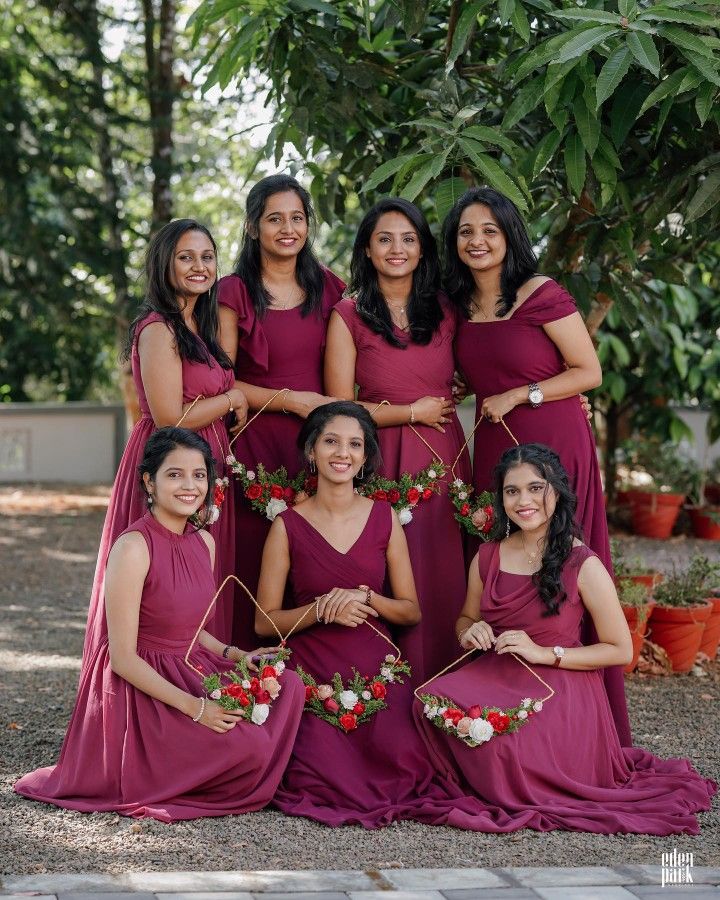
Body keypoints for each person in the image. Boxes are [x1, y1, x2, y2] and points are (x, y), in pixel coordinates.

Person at [414, 444, 716, 835]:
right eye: (512, 491)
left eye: (535, 488)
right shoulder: (487, 556)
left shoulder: (583, 563)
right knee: (430, 704)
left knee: (506, 745)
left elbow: (620, 649)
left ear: (556, 491)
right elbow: (466, 618)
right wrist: (469, 631)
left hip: (559, 681)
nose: (524, 501)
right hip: (496, 673)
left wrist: (544, 653)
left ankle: (515, 778)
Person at [15, 428, 304, 822]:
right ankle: (191, 768)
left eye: (199, 475)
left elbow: (190, 626)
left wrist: (237, 655)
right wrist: (197, 708)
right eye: (175, 475)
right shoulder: (133, 548)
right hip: (142, 685)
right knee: (249, 748)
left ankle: (228, 767)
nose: (190, 486)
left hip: (190, 663)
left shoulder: (205, 542)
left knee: (288, 684)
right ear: (149, 481)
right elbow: (121, 659)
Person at [444, 187, 631, 745]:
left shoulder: (541, 293)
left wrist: (521, 395)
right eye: (465, 233)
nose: (477, 242)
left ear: (509, 236)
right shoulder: (458, 308)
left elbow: (587, 371)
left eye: (489, 231)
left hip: (551, 438)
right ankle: (498, 696)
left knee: (562, 558)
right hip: (494, 452)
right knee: (500, 555)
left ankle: (586, 717)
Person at [254, 402, 483, 828]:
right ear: (311, 451)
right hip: (312, 670)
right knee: (315, 774)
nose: (343, 453)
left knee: (402, 764)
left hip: (377, 666)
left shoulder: (385, 518)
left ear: (364, 457)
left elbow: (410, 611)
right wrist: (321, 610)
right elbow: (263, 622)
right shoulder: (286, 526)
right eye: (331, 441)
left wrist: (365, 597)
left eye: (355, 444)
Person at [83, 220, 248, 653]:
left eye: (207, 257)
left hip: (207, 462)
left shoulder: (200, 328)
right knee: (164, 580)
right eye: (186, 257)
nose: (199, 266)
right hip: (172, 460)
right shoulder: (159, 328)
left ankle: (203, 679)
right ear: (164, 265)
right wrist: (233, 397)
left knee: (201, 574)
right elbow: (170, 416)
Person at [324, 198, 471, 679]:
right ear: (367, 249)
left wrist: (565, 396)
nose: (397, 249)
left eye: (409, 239)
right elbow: (338, 407)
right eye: (385, 238)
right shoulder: (347, 314)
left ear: (424, 250)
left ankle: (452, 687)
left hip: (446, 456)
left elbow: (493, 363)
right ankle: (389, 686)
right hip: (381, 458)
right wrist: (411, 412)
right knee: (389, 570)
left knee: (446, 568)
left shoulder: (448, 309)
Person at [217, 175, 344, 649]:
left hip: (315, 449)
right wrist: (292, 400)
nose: (288, 228)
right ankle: (243, 680)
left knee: (310, 565)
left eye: (297, 218)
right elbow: (221, 381)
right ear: (253, 227)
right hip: (250, 447)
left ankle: (310, 688)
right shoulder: (232, 291)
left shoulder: (332, 288)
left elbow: (365, 359)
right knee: (250, 560)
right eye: (275, 219)